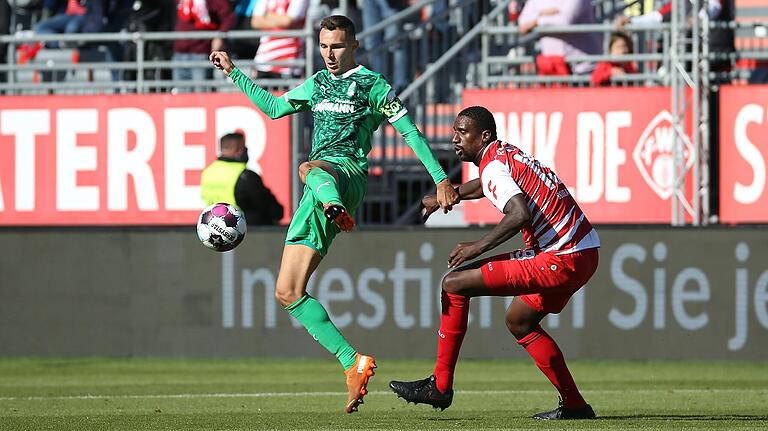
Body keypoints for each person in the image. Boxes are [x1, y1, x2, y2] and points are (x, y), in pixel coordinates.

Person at [209, 14, 459, 413]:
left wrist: (442, 178)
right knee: (287, 292)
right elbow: (274, 108)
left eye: (338, 46)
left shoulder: (373, 86)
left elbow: (409, 131)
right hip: (319, 190)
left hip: (345, 176)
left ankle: (332, 204)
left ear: (354, 45)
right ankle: (352, 362)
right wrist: (234, 73)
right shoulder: (317, 84)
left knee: (307, 167)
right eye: (324, 45)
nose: (329, 53)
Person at [389, 106, 601, 420]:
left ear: (484, 135)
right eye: (455, 131)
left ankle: (440, 386)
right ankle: (574, 406)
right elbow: (486, 183)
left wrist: (476, 247)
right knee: (520, 321)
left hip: (560, 256)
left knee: (454, 283)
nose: (454, 139)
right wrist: (452, 195)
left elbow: (519, 214)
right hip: (585, 250)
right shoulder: (503, 154)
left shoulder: (493, 167)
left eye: (462, 132)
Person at [200, 132, 284, 225]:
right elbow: (271, 209)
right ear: (238, 150)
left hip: (214, 226)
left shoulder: (207, 172)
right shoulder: (246, 176)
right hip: (241, 229)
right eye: (244, 148)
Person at [518, 0, 601, 75]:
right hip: (553, 68)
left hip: (583, 68)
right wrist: (543, 14)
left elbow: (564, 22)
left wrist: (537, 21)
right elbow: (523, 21)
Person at [173, 0, 235, 92]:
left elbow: (228, 17)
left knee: (201, 94)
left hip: (200, 52)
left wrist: (219, 37)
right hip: (179, 52)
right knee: (181, 98)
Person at [249, 0, 310, 78]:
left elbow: (288, 21)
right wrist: (281, 21)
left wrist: (266, 15)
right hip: (263, 60)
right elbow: (255, 22)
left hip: (289, 62)